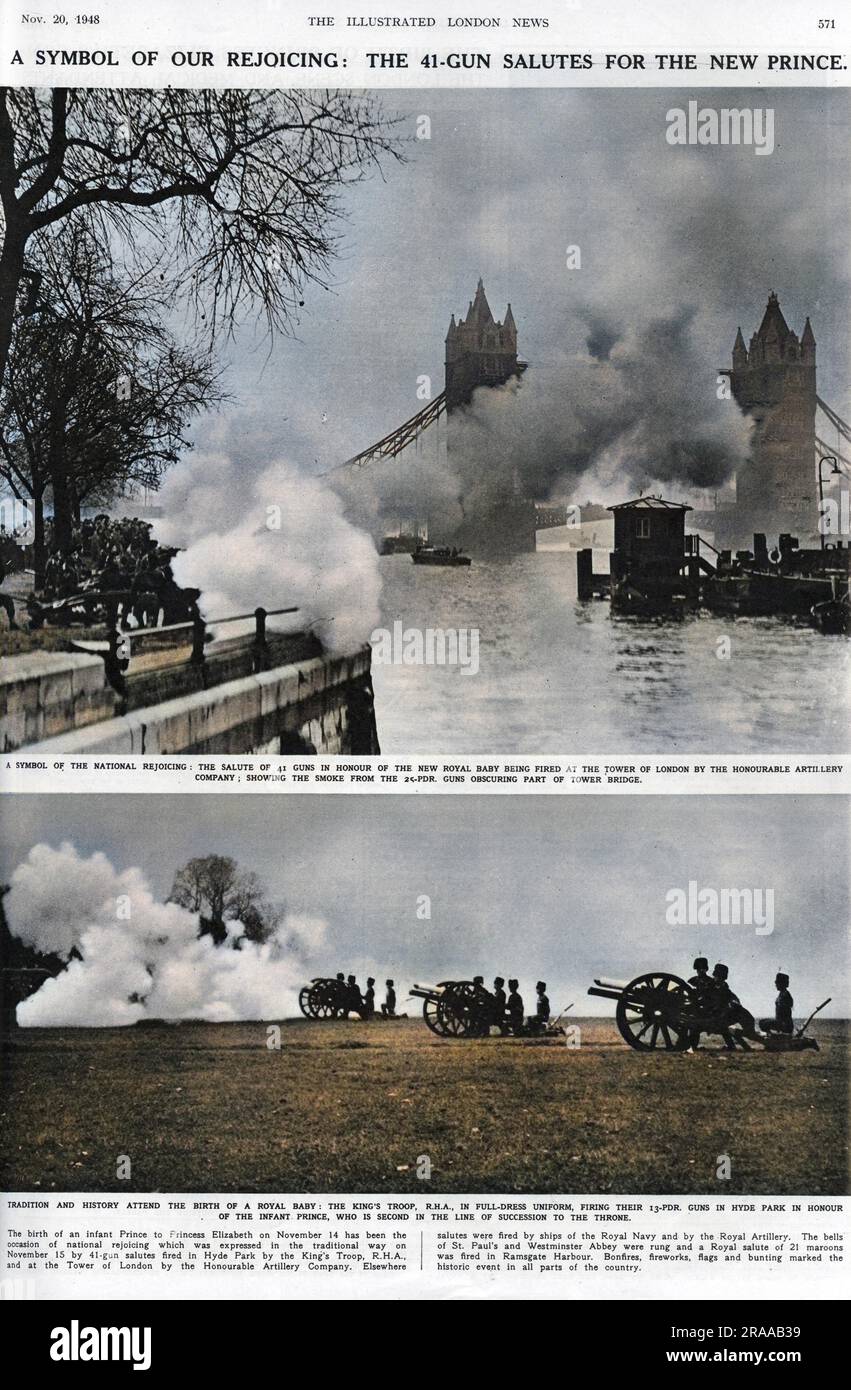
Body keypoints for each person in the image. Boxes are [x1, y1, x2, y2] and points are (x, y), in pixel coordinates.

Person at [712, 962, 761, 1049]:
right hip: (735, 1015)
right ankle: (739, 1047)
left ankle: (740, 1047)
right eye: (716, 976)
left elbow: (735, 1004)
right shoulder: (719, 989)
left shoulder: (725, 991)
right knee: (726, 1028)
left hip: (744, 1017)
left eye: (717, 976)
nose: (715, 978)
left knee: (744, 1033)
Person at [686, 956, 713, 1050]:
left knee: (695, 1024)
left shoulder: (711, 982)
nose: (701, 970)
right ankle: (688, 1044)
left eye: (703, 969)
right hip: (695, 1007)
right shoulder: (693, 981)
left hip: (706, 1009)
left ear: (706, 969)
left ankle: (693, 1046)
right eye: (698, 969)